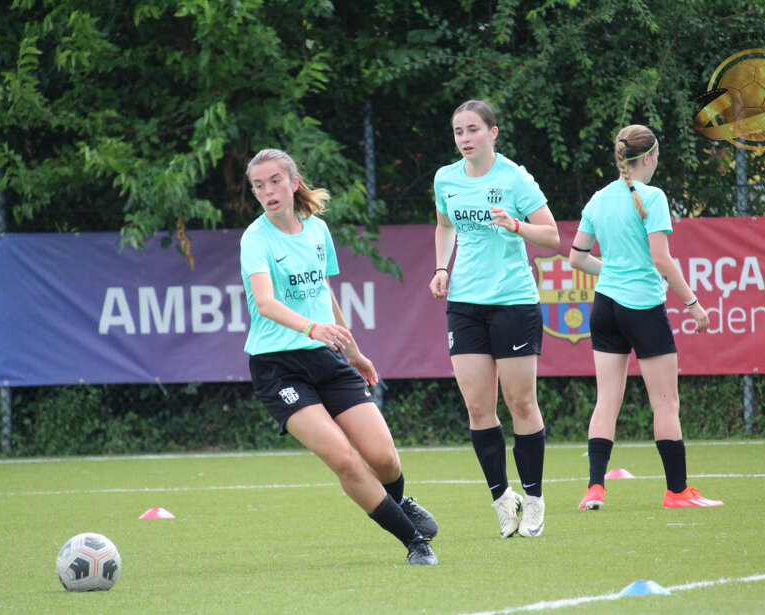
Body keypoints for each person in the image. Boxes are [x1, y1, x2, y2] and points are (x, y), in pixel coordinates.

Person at [240, 148, 439, 565]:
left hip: (327, 358)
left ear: (293, 182)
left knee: (384, 459)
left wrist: (353, 352)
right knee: (344, 460)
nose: (268, 191)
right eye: (259, 185)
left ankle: (399, 502)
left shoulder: (317, 230)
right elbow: (266, 303)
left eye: (275, 181)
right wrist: (312, 329)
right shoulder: (255, 239)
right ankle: (415, 543)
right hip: (278, 368)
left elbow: (322, 293)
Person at [568, 124, 723, 510]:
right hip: (642, 309)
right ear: (650, 156)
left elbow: (577, 258)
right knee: (666, 403)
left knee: (606, 400)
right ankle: (678, 492)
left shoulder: (599, 199)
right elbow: (661, 259)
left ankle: (594, 488)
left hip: (605, 308)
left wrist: (614, 270)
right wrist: (693, 303)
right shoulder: (652, 196)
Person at [430, 100, 560, 538]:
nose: (465, 138)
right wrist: (442, 268)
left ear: (492, 133)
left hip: (513, 301)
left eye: (473, 129)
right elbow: (444, 225)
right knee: (477, 407)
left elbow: (553, 236)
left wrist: (516, 225)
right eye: (458, 131)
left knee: (521, 404)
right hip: (464, 303)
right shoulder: (446, 178)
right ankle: (504, 500)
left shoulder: (515, 178)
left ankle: (535, 500)